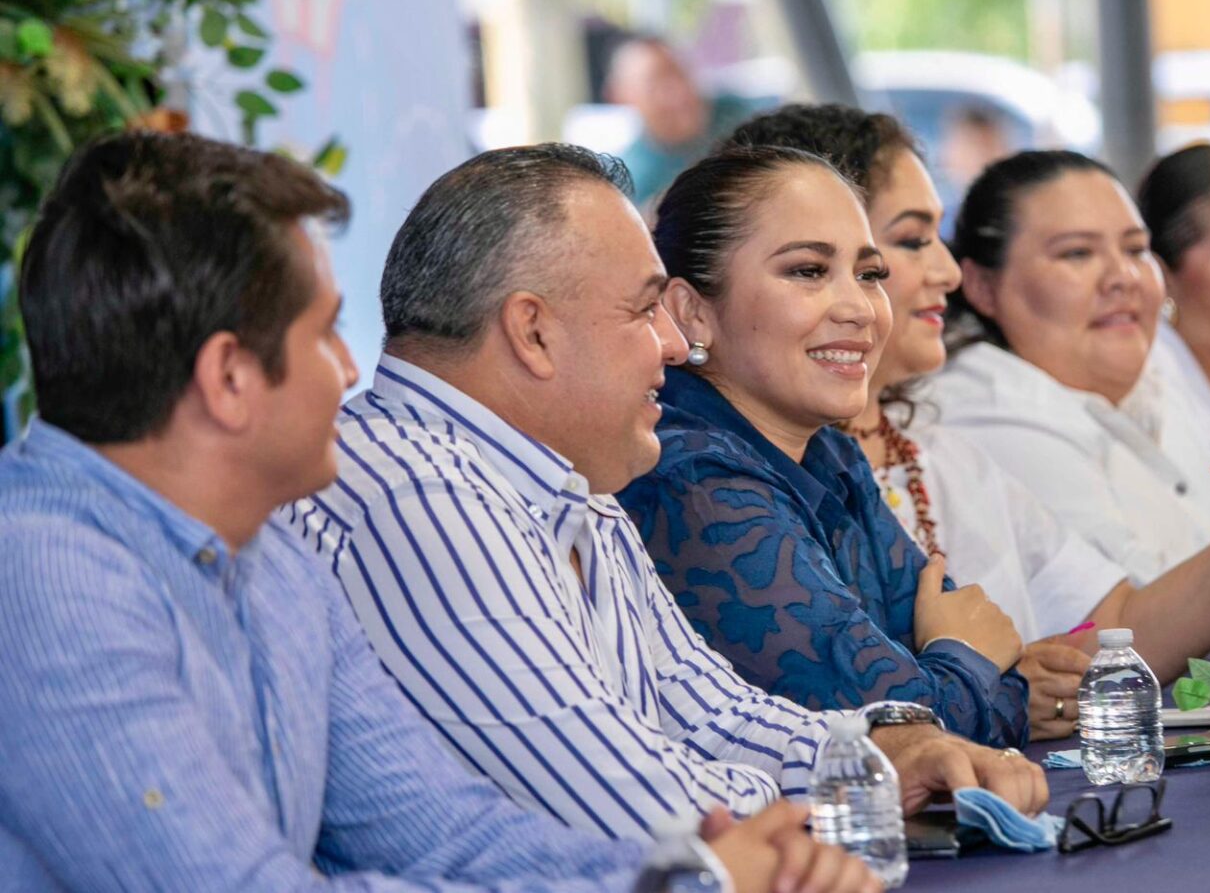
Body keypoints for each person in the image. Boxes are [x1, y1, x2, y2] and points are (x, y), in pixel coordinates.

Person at [0, 132, 871, 893]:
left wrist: (689, 872)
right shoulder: (46, 573)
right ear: (230, 378)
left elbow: (446, 830)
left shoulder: (273, 563)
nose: (351, 372)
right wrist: (694, 878)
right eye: (324, 333)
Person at [282, 143, 1048, 844]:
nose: (676, 345)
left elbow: (710, 713)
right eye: (645, 309)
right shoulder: (419, 489)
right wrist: (858, 786)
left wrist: (889, 751)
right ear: (533, 331)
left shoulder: (574, 488)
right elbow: (619, 798)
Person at [721, 106, 1210, 716]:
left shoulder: (935, 451)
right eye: (910, 241)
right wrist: (990, 686)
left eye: (1136, 249)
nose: (945, 271)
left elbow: (1116, 629)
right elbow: (793, 717)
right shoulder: (736, 472)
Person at [617, 145, 1041, 756]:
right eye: (808, 271)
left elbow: (1008, 685)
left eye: (869, 275)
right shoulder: (690, 479)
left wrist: (955, 666)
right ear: (693, 312)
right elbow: (895, 741)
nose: (860, 309)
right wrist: (962, 655)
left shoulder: (829, 456)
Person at [929, 150, 1210, 662]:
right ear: (982, 286)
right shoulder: (987, 409)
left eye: (1136, 248)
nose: (1122, 276)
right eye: (1078, 253)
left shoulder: (1147, 380)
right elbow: (1142, 621)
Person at [606, 35, 754, 206]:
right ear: (620, 97)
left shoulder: (741, 114)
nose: (679, 94)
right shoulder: (632, 182)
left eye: (681, 73)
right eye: (656, 85)